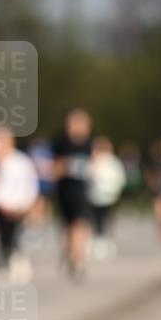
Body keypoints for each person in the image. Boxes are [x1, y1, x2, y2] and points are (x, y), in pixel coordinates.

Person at [0, 126, 39, 281]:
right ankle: (1, 264)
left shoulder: (21, 162)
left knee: (16, 237)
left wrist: (26, 205)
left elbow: (31, 184)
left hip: (18, 207)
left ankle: (17, 264)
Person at [53, 109, 94, 279]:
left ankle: (78, 259)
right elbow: (55, 168)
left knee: (80, 224)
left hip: (82, 190)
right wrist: (68, 166)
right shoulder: (61, 143)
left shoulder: (90, 144)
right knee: (68, 226)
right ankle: (70, 253)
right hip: (65, 190)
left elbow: (95, 165)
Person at [87, 136, 126, 260]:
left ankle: (104, 242)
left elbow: (118, 179)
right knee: (97, 220)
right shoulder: (94, 161)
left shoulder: (112, 162)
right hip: (95, 196)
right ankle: (98, 241)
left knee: (103, 219)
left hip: (106, 196)